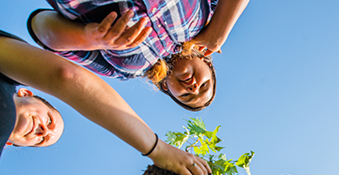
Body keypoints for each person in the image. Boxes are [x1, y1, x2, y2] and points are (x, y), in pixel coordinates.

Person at [0, 29, 210, 175]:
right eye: (50, 120)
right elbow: (66, 76)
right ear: (26, 92)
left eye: (42, 140)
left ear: (8, 142)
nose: (44, 130)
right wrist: (157, 149)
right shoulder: (7, 72)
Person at [27, 0, 250, 111]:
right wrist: (219, 32)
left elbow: (40, 28)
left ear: (166, 88)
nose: (193, 88)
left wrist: (89, 38)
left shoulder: (125, 70)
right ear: (206, 61)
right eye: (204, 85)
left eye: (187, 96)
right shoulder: (206, 17)